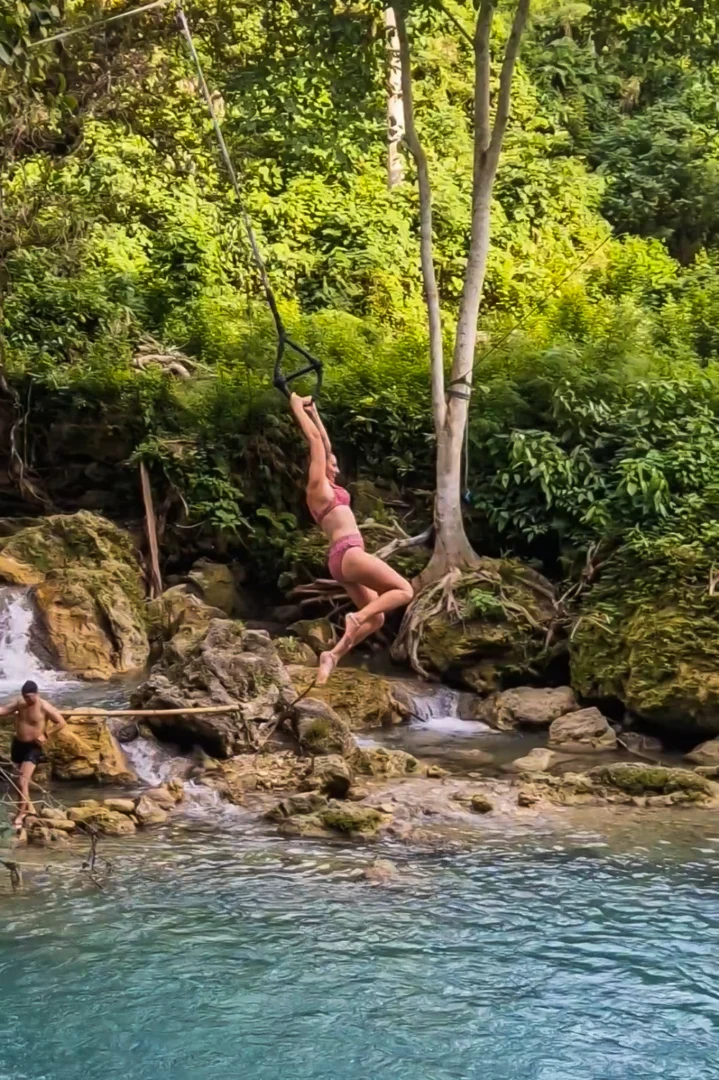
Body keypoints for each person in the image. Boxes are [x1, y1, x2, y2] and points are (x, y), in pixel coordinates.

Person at [289, 392, 414, 684]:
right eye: (331, 463)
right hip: (348, 553)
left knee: (378, 618)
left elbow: (325, 442)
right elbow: (317, 443)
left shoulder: (330, 485)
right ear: (320, 466)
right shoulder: (317, 486)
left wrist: (314, 412)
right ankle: (354, 618)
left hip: (341, 559)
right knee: (404, 591)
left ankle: (331, 655)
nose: (336, 467)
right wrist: (296, 408)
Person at [0, 680, 67, 827]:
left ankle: (20, 813)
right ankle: (29, 808)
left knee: (22, 781)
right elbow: (4, 710)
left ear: (37, 694)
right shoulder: (19, 702)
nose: (28, 700)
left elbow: (61, 722)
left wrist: (46, 735)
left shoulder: (44, 706)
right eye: (25, 697)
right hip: (18, 745)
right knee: (18, 782)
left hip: (33, 747)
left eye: (30, 697)